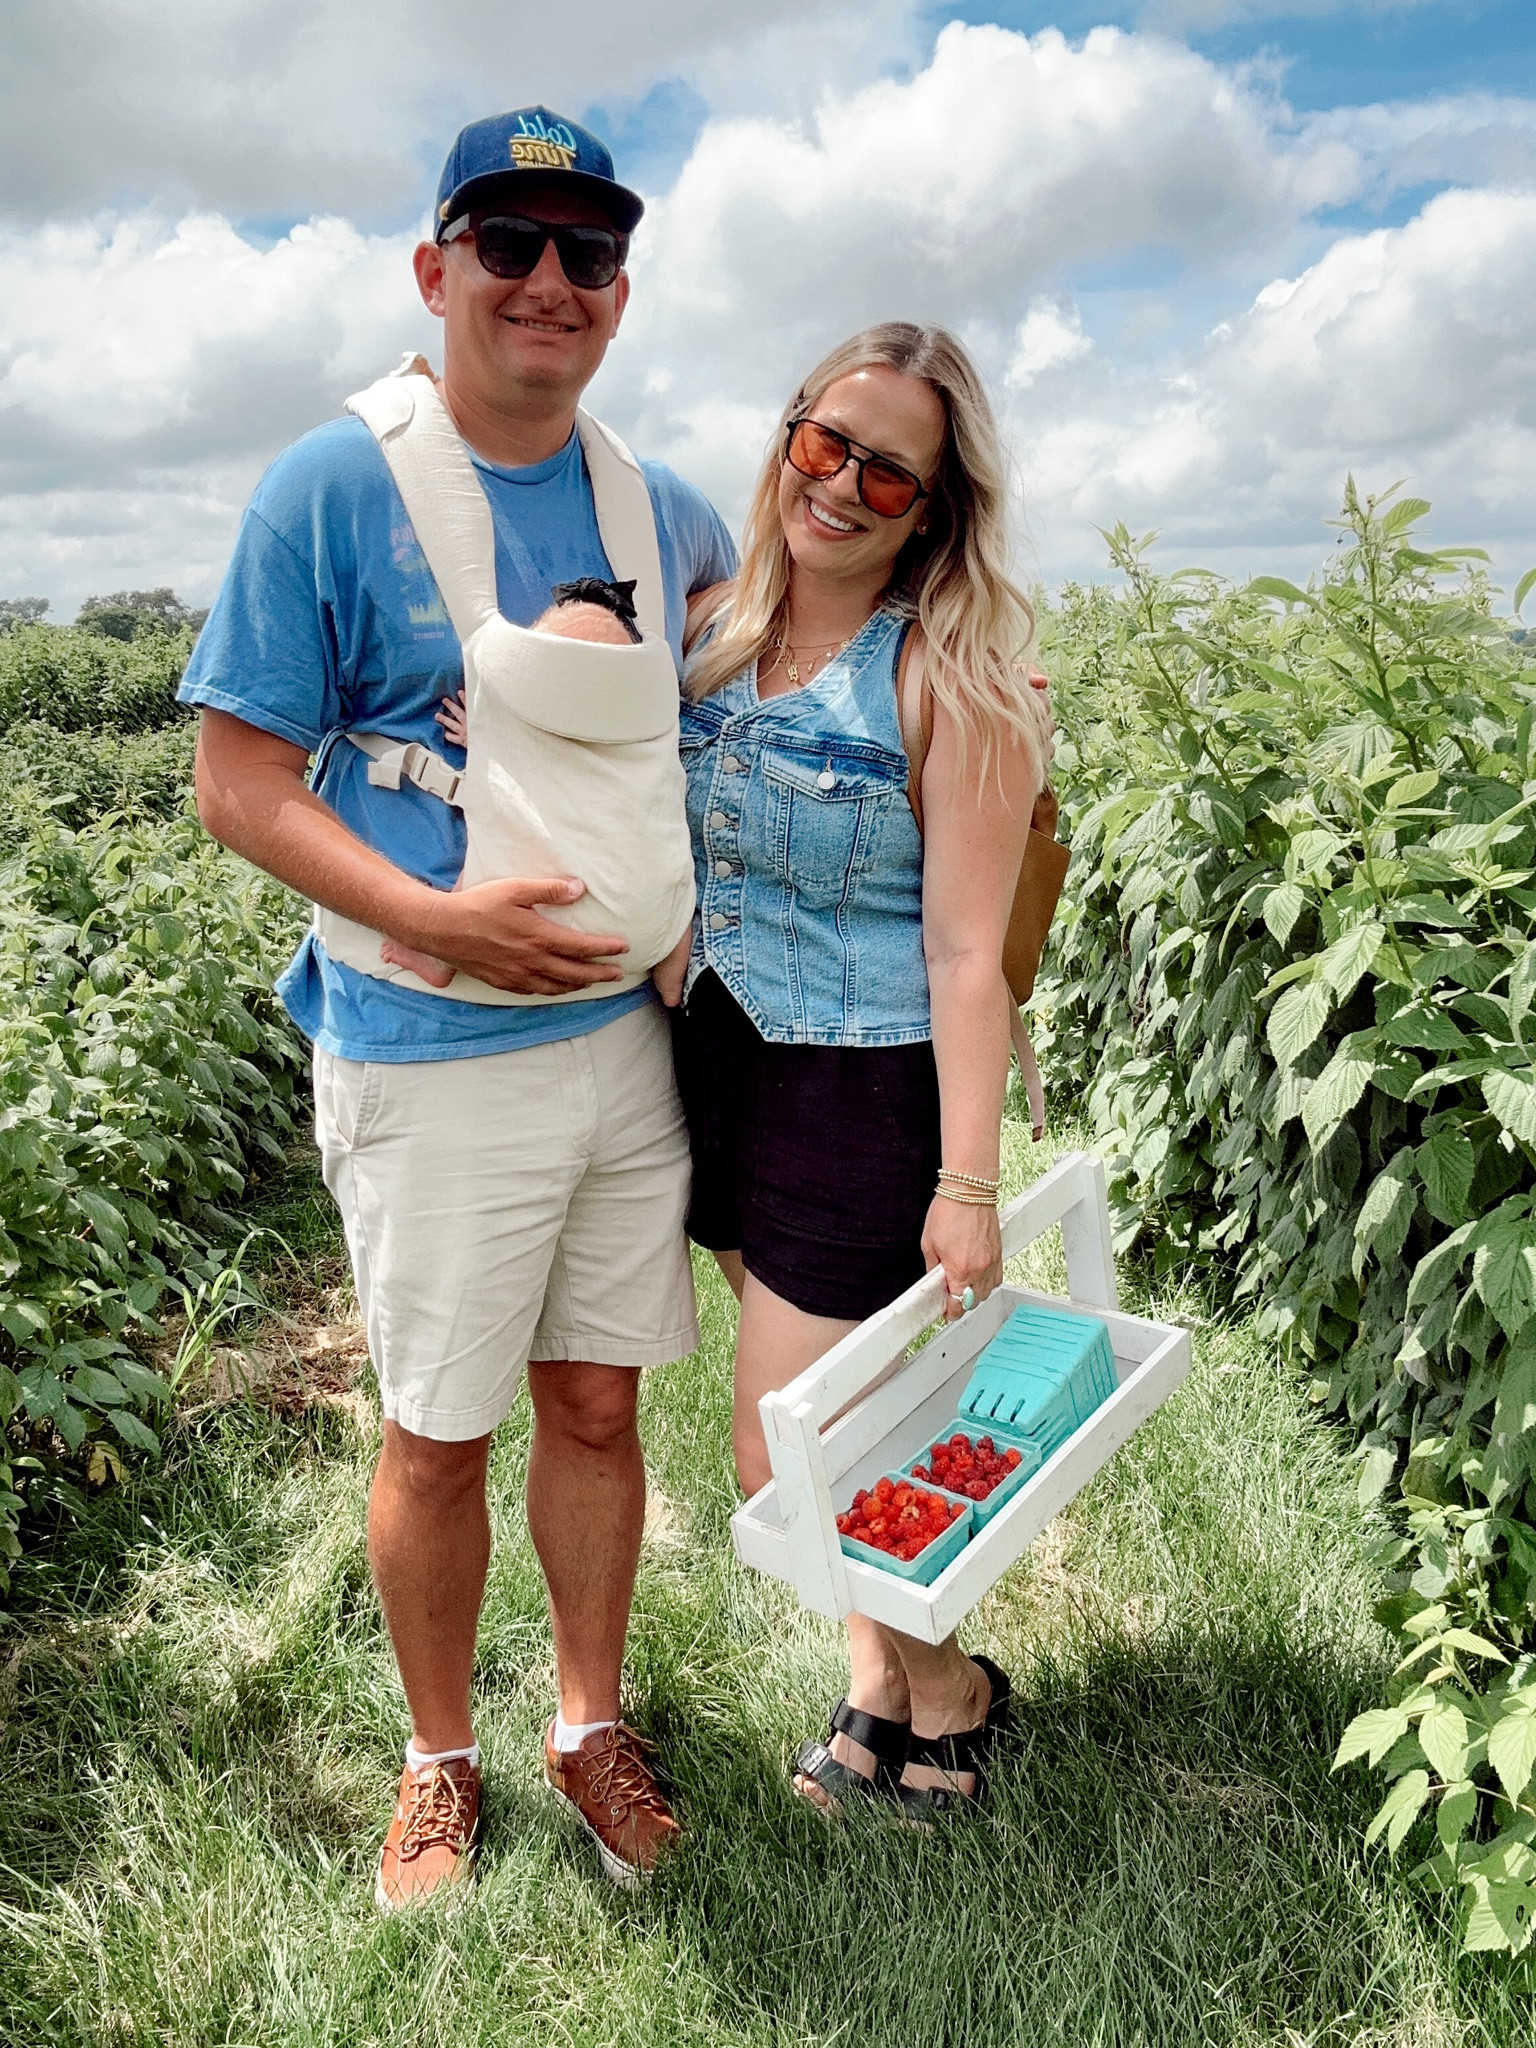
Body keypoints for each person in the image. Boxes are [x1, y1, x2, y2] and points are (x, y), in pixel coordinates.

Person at [181, 106, 736, 1907]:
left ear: (621, 296)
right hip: (428, 1046)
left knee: (593, 1402)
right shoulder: (329, 487)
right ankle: (439, 1758)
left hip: (625, 1052)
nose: (548, 284)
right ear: (437, 273)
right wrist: (442, 916)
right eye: (510, 245)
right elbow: (238, 777)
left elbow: (789, 657)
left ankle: (588, 1716)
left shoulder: (664, 509)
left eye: (586, 255)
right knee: (437, 1422)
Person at [671, 321, 1051, 1818]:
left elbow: (969, 955)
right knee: (849, 1409)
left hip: (862, 1086)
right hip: (723, 1062)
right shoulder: (710, 628)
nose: (836, 485)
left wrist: (969, 1179)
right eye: (820, 442)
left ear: (935, 510)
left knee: (786, 1449)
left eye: (886, 475)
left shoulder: (954, 677)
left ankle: (952, 1683)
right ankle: (880, 1680)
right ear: (785, 438)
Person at [385, 576, 691, 1002]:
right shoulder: (644, 728)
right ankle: (672, 983)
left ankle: (438, 960)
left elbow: (519, 747)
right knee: (669, 871)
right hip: (652, 933)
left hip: (550, 916)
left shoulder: (527, 726)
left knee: (497, 836)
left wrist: (486, 732)